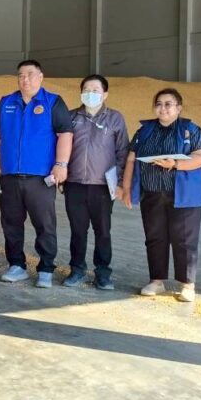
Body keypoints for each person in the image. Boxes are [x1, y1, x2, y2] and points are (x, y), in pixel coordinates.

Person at [0, 60, 73, 287]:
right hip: (10, 176)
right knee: (11, 223)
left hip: (40, 178)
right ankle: (17, 265)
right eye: (21, 75)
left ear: (41, 77)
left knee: (44, 224)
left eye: (30, 74)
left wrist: (61, 164)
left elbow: (65, 134)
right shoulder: (6, 103)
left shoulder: (53, 102)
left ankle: (46, 268)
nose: (25, 79)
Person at [121, 88, 201, 303]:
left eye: (168, 104)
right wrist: (126, 188)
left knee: (184, 239)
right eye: (159, 104)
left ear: (179, 108)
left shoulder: (190, 130)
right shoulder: (144, 131)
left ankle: (187, 284)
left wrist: (176, 164)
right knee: (155, 237)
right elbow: (131, 159)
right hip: (152, 192)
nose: (163, 108)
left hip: (184, 194)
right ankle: (156, 280)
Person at [62, 74, 129, 290]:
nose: (90, 94)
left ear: (105, 94)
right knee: (77, 230)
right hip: (74, 184)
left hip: (103, 185)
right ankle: (77, 270)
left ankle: (103, 273)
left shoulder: (115, 118)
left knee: (103, 231)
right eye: (86, 90)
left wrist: (120, 182)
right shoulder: (71, 117)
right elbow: (60, 146)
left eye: (95, 90)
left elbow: (122, 152)